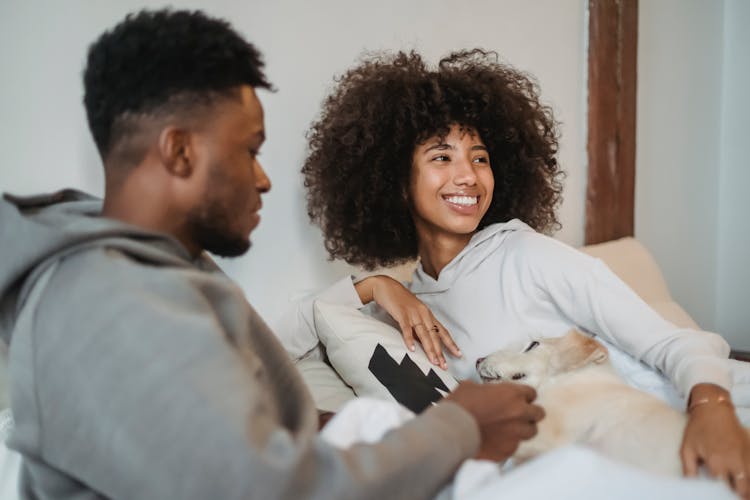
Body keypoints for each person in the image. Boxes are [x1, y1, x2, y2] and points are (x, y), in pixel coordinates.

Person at [0, 10, 545, 500]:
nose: (262, 179)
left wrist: (380, 429)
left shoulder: (167, 270)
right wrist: (457, 428)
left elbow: (247, 436)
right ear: (180, 151)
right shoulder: (103, 305)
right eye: (250, 151)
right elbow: (266, 490)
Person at [291, 49, 750, 497]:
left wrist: (714, 412)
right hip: (593, 466)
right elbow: (285, 342)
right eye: (441, 157)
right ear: (398, 184)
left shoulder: (527, 255)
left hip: (691, 423)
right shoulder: (406, 308)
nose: (469, 176)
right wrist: (373, 286)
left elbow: (670, 341)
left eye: (480, 157)